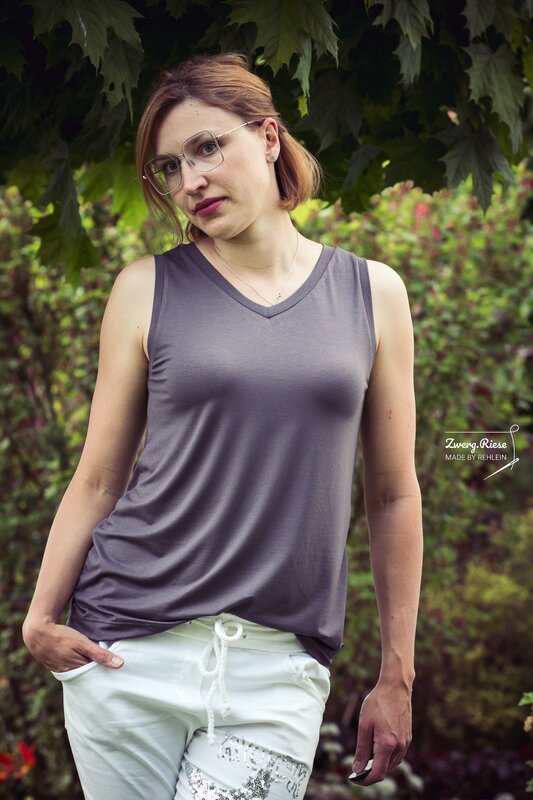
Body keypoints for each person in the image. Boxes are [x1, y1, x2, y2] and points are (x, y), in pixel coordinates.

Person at [22, 53, 423, 800]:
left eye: (207, 148)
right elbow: (101, 476)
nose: (190, 181)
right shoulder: (145, 288)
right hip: (126, 654)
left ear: (268, 138)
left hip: (276, 673)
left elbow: (394, 494)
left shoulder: (373, 294)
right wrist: (40, 617)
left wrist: (396, 673)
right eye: (170, 168)